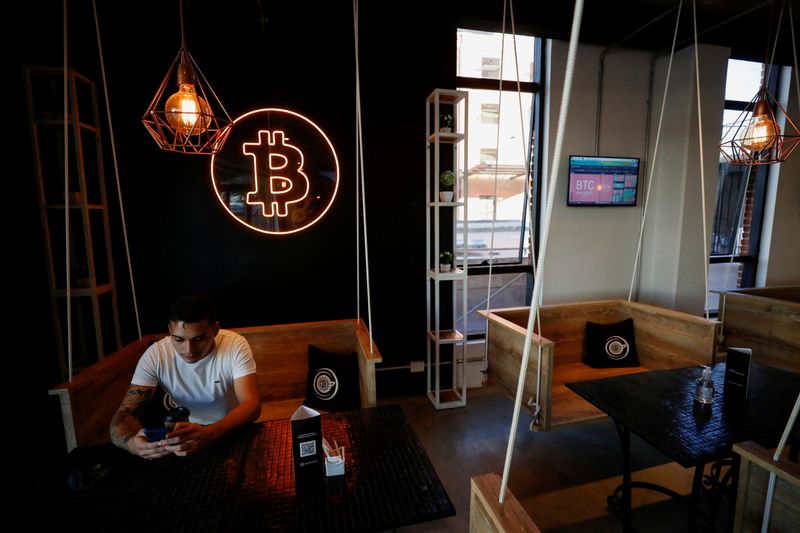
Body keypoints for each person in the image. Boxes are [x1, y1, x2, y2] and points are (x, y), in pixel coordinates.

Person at [110, 293, 261, 459]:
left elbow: (251, 404)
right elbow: (123, 415)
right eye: (178, 339)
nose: (188, 350)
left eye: (199, 339)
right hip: (185, 435)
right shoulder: (156, 354)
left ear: (215, 330)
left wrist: (209, 434)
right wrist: (131, 444)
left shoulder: (234, 345)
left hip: (232, 429)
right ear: (169, 331)